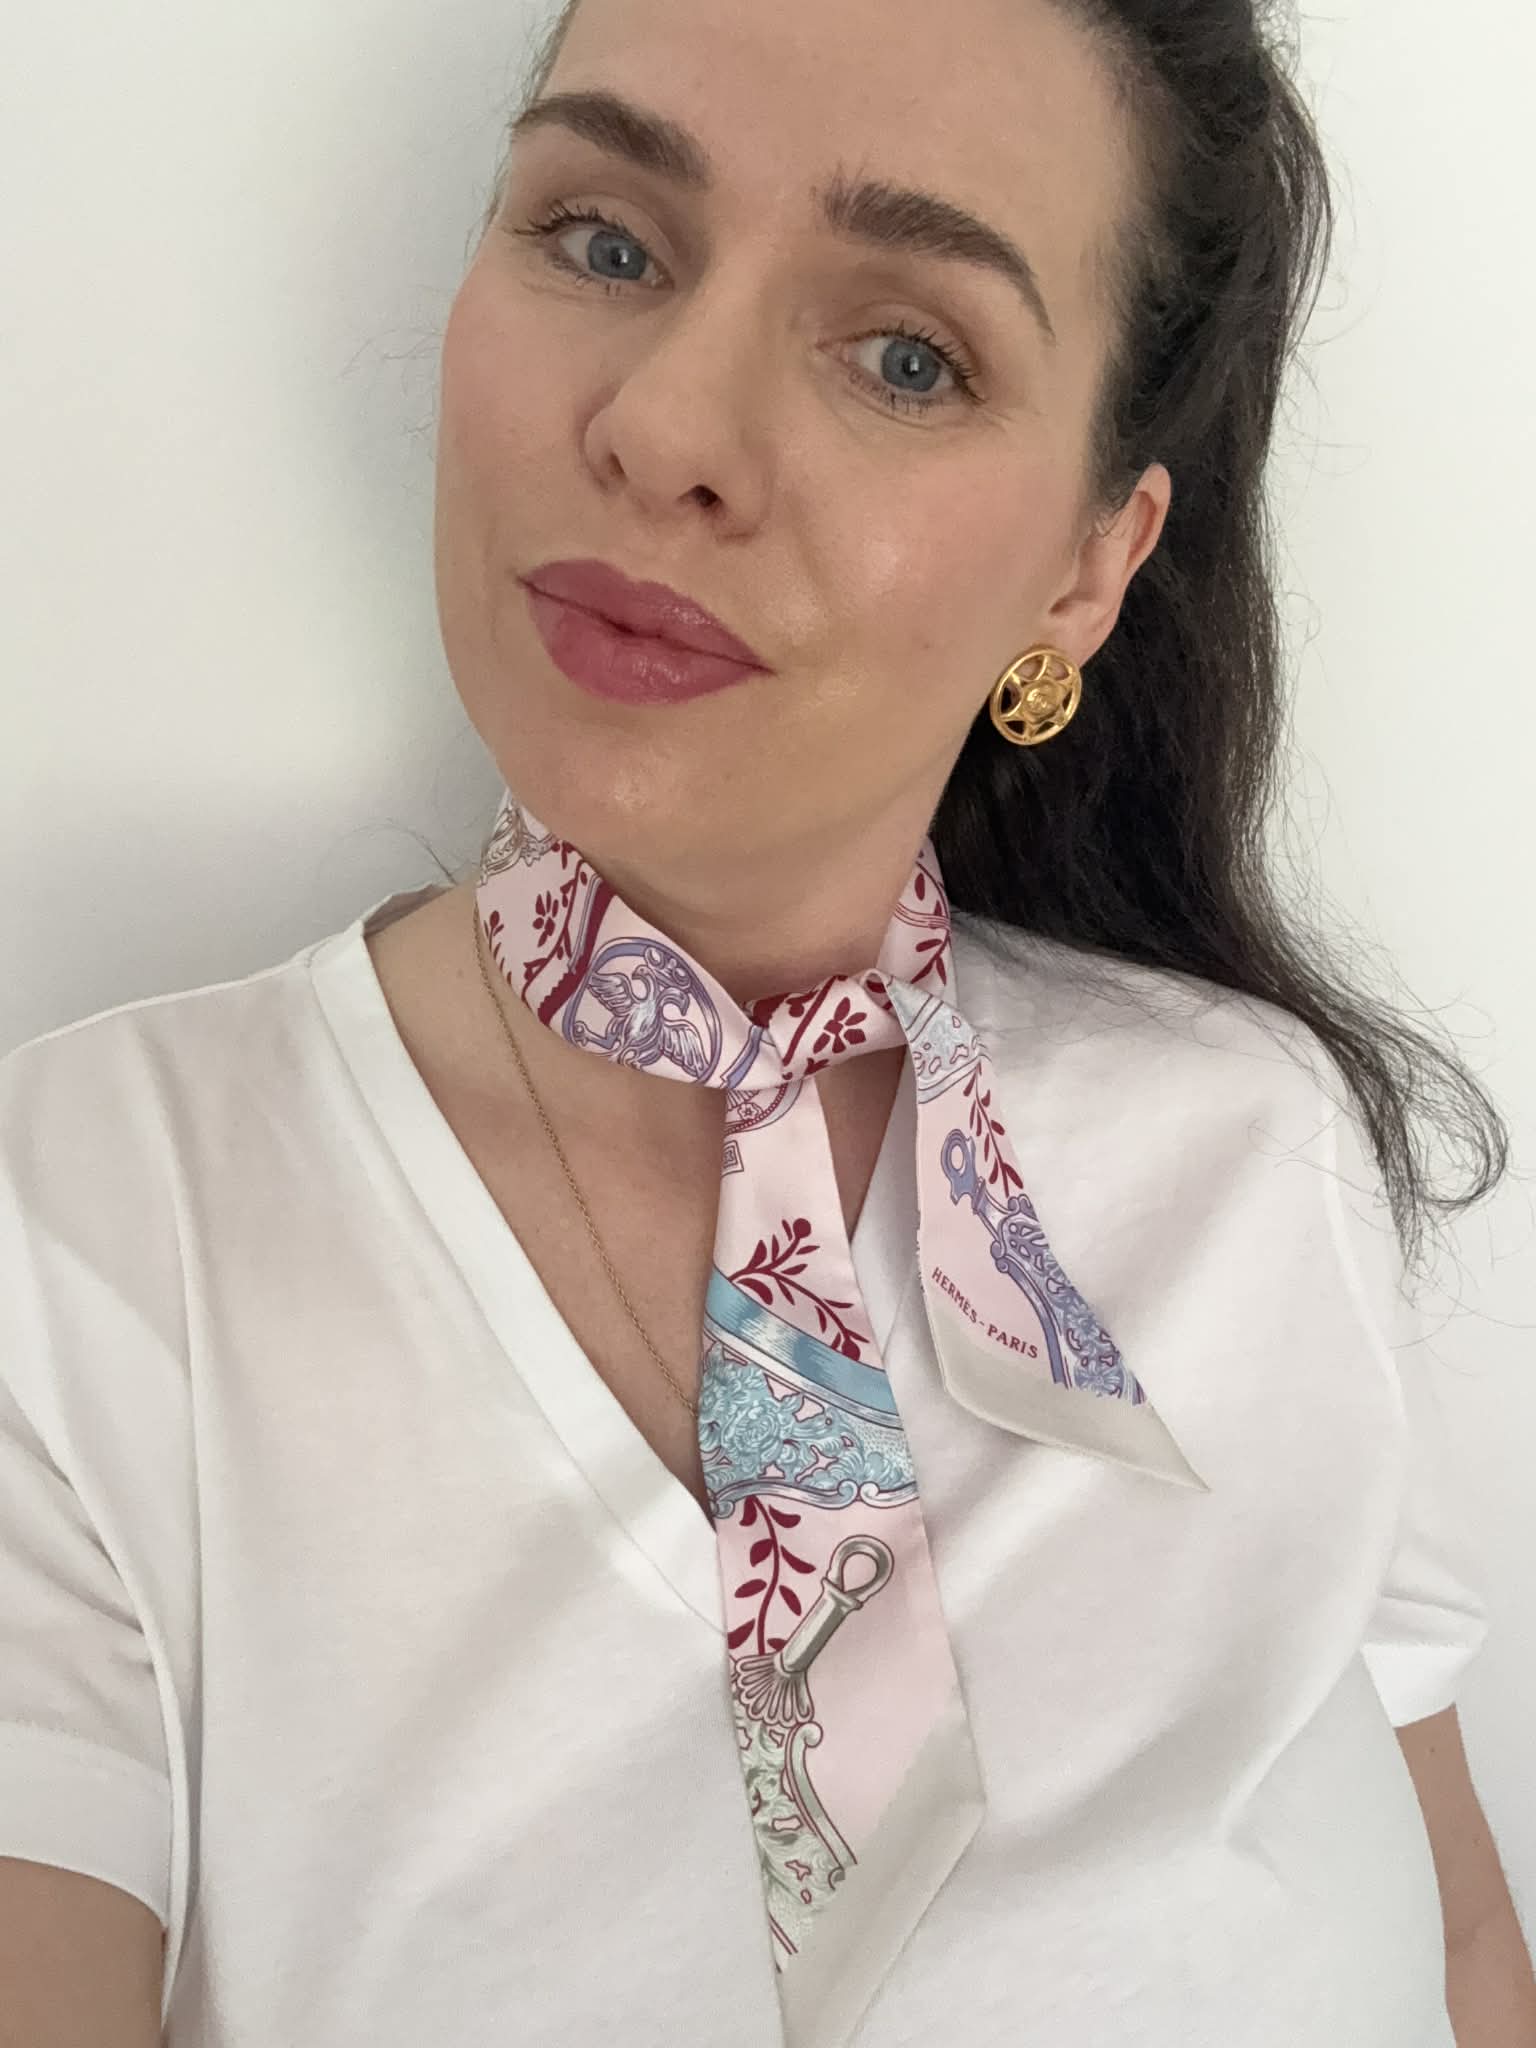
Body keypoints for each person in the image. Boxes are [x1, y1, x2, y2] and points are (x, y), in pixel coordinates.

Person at [1, 0, 1532, 2041]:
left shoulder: (1259, 1152)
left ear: (1089, 570)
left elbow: (1464, 1952)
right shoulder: (89, 1242)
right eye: (606, 239)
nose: (668, 429)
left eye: (907, 355)